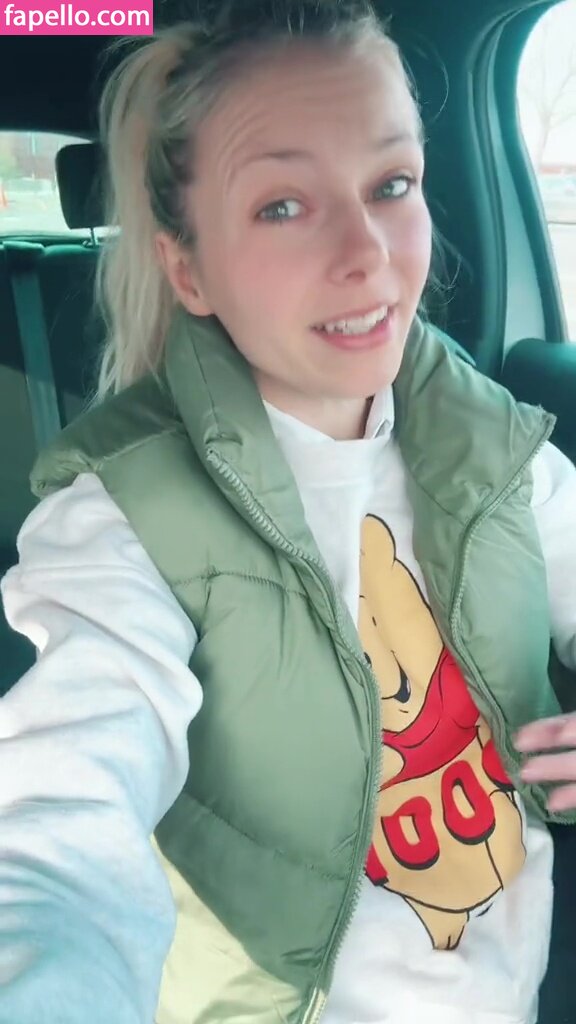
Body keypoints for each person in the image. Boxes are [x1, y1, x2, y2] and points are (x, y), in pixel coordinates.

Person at [1, 2, 576, 1022]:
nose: (367, 252)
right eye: (282, 206)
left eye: (391, 185)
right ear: (189, 269)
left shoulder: (496, 449)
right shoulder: (123, 514)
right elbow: (61, 820)